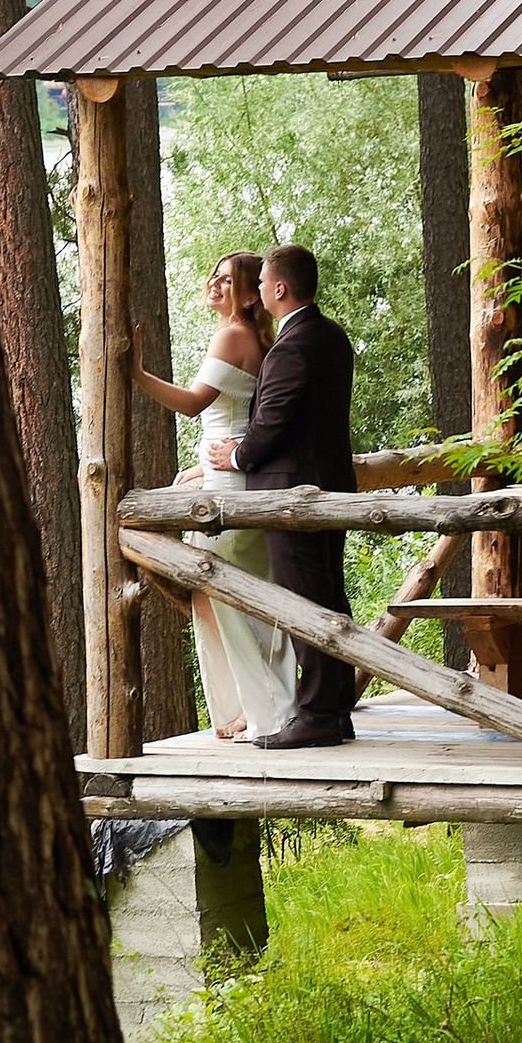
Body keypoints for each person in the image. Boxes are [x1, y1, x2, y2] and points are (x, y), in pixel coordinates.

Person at [131, 254, 299, 740]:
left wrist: (137, 374)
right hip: (227, 474)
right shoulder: (253, 338)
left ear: (250, 296)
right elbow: (237, 419)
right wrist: (202, 468)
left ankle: (268, 710)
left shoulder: (232, 335)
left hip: (229, 487)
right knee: (218, 597)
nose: (215, 283)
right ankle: (249, 706)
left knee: (227, 597)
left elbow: (194, 404)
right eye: (215, 275)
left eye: (229, 280)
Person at [207, 241, 360, 751]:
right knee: (329, 596)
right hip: (330, 484)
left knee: (303, 602)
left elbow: (274, 418)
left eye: (261, 283)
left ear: (279, 288)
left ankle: (316, 716)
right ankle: (335, 710)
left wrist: (236, 456)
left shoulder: (293, 346)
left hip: (293, 493)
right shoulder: (332, 335)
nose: (256, 291)